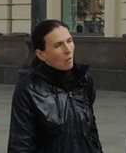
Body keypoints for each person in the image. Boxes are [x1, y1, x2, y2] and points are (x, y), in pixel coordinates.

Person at [7, 19, 103, 153]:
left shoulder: (84, 81)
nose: (68, 50)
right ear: (41, 54)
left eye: (69, 41)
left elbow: (91, 132)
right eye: (58, 45)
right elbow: (20, 145)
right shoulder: (28, 90)